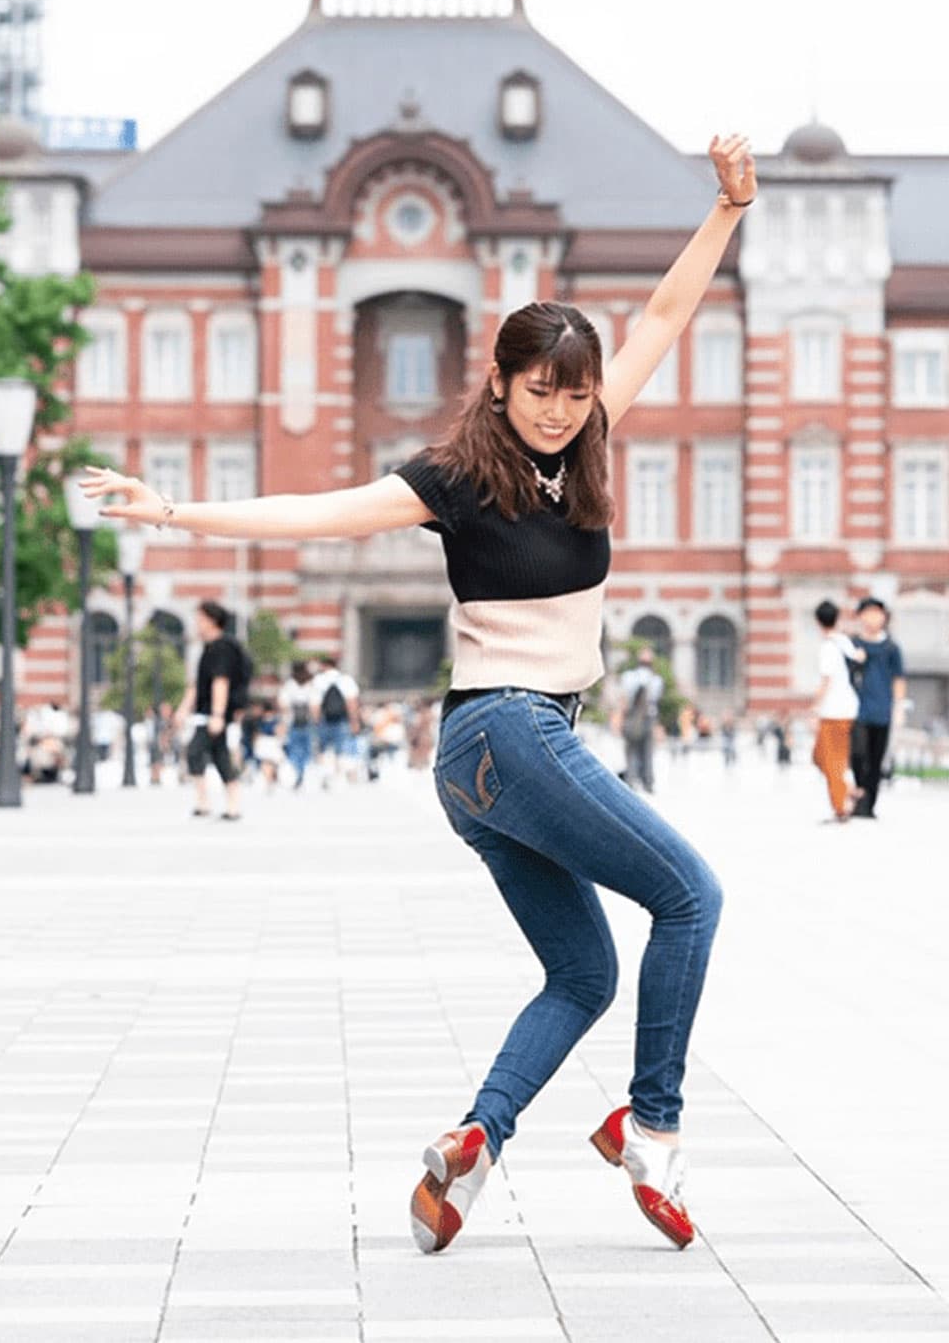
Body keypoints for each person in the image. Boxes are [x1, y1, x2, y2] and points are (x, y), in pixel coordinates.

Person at [78, 131, 751, 1256]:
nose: (560, 412)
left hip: (481, 759)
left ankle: (471, 1141)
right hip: (510, 729)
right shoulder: (454, 477)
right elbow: (324, 508)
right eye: (540, 392)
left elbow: (664, 319)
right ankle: (654, 1121)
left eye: (575, 396)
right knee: (690, 895)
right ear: (499, 379)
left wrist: (728, 207)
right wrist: (177, 512)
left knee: (583, 971)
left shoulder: (586, 439)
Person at [186, 600, 250, 820]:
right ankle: (231, 804)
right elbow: (198, 684)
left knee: (195, 752)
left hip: (214, 714)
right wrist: (183, 709)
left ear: (211, 620)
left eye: (200, 618)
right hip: (208, 712)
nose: (196, 623)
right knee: (220, 755)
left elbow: (220, 682)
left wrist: (218, 715)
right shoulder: (211, 647)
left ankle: (206, 802)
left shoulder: (222, 648)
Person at [847, 598, 906, 820]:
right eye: (868, 613)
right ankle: (859, 796)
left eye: (877, 613)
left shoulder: (891, 648)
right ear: (860, 616)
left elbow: (898, 678)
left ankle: (869, 805)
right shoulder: (853, 645)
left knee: (875, 758)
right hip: (857, 710)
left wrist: (899, 707)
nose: (873, 618)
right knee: (858, 755)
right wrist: (855, 662)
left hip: (882, 711)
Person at [808, 600, 859, 821]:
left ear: (818, 622)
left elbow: (826, 681)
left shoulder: (829, 647)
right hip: (849, 707)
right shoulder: (845, 643)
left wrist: (814, 709)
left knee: (831, 760)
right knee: (822, 757)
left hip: (833, 711)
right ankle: (848, 790)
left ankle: (841, 807)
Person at [611, 645, 663, 795]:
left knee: (631, 750)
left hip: (631, 718)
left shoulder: (629, 677)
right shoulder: (656, 680)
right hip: (648, 719)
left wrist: (618, 719)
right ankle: (648, 782)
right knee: (647, 751)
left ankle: (631, 780)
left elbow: (623, 700)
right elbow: (655, 701)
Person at [308, 655, 361, 788]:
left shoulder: (318, 680)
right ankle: (338, 776)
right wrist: (354, 721)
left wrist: (315, 722)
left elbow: (314, 704)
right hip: (342, 719)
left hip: (324, 720)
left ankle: (326, 774)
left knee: (323, 749)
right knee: (342, 749)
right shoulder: (346, 679)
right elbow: (352, 702)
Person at [279, 660, 316, 789]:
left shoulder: (289, 685)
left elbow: (283, 705)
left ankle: (298, 771)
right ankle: (302, 772)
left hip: (292, 722)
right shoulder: (310, 685)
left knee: (294, 749)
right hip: (307, 722)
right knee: (306, 749)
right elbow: (314, 705)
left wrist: (284, 722)